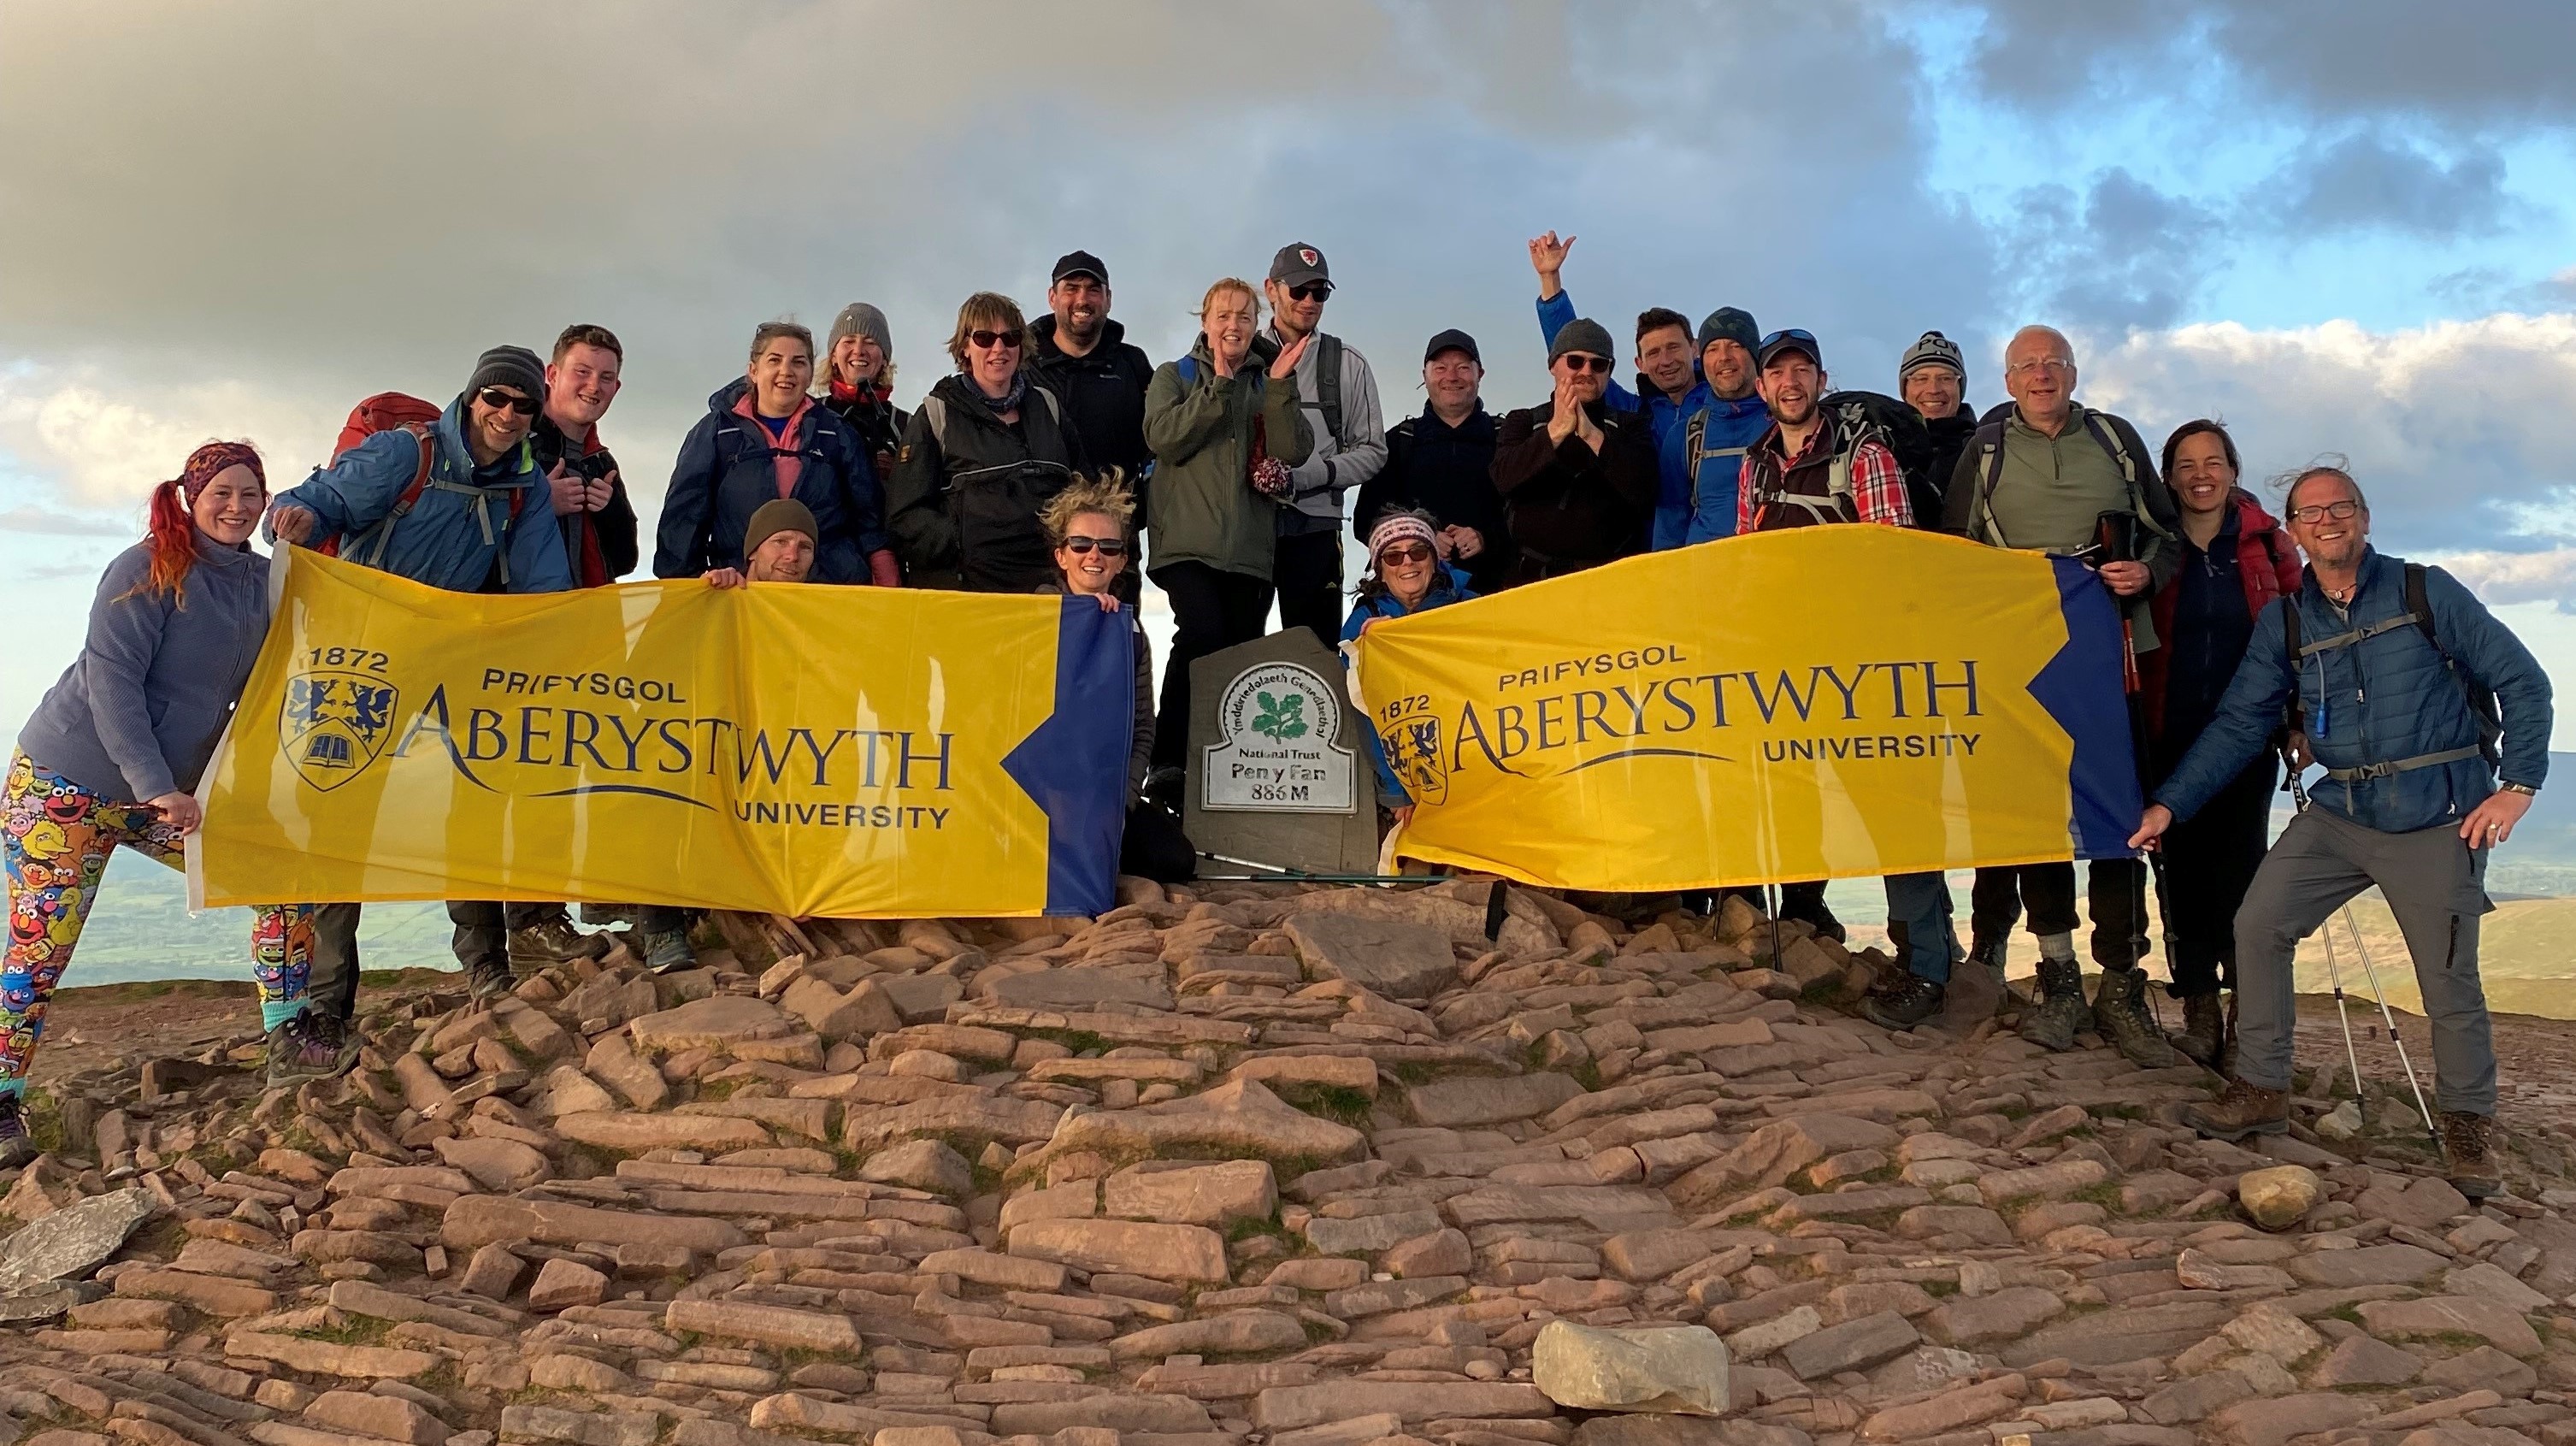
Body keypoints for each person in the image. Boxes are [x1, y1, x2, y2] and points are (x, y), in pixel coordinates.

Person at [2134, 464, 2551, 1198]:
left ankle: (2466, 1127)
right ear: (2291, 530)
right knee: (2258, 923)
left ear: (2363, 517)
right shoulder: (2288, 619)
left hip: (2435, 815)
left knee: (2446, 983)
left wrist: (2516, 787)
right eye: (2309, 513)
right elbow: (2239, 723)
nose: (2326, 521)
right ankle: (2261, 1090)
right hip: (2340, 812)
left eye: (2339, 508)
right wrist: (2169, 804)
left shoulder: (2425, 590)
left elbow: (2523, 681)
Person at [9, 444, 330, 1130]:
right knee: (38, 951)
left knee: (283, 878)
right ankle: (2, 1100)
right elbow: (111, 682)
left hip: (165, 796)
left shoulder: (259, 579)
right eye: (221, 492)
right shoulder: (145, 566)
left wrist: (292, 553)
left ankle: (288, 1037)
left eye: (251, 493)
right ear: (190, 496)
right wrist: (156, 784)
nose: (236, 506)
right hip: (66, 786)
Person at [271, 347, 583, 1002]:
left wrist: (570, 640)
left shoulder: (522, 486)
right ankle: (327, 1002)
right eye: (496, 398)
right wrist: (297, 517)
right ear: (471, 397)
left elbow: (543, 587)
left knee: (465, 804)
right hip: (357, 661)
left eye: (524, 405)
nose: (508, 413)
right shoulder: (403, 455)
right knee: (340, 821)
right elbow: (320, 499)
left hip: (443, 661)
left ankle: (487, 970)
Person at [1940, 325, 2182, 1065]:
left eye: (2053, 363)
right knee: (2039, 814)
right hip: (2026, 659)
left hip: (2110, 648)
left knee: (2116, 808)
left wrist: (2145, 574)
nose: (2041, 376)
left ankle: (2120, 980)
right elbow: (1954, 558)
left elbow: (2166, 537)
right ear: (2006, 381)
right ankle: (2056, 973)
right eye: (2026, 367)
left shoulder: (2112, 438)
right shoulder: (1984, 451)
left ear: (2073, 372)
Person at [2135, 422, 2303, 1065]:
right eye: (2184, 464)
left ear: (2233, 469)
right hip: (2162, 728)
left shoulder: (2268, 542)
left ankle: (2243, 1022)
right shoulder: (2151, 541)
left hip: (2247, 736)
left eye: (2212, 461)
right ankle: (2198, 1010)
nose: (2199, 474)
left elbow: (2300, 636)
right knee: (2177, 873)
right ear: (2168, 475)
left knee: (2239, 872)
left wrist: (2297, 719)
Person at [1140, 279, 1314, 780]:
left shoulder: (1268, 384)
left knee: (1239, 652)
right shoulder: (1174, 375)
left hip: (1249, 550)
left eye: (1243, 316)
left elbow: (1292, 451)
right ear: (1205, 322)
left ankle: (1224, 767)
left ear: (1256, 324)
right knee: (1201, 634)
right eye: (1223, 315)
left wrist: (1281, 387)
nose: (1233, 325)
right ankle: (1169, 760)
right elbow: (1163, 438)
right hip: (1187, 546)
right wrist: (1216, 387)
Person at [1527, 230, 1767, 547]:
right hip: (1658, 547)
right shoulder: (1634, 412)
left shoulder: (1731, 404)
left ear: (1694, 348)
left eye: (1673, 348)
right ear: (1639, 363)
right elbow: (1576, 359)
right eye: (1653, 353)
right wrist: (1550, 281)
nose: (1665, 361)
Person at [524, 323, 640, 955]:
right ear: (553, 372)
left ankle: (559, 903)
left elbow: (622, 556)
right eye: (582, 372)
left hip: (580, 632)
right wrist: (545, 502)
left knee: (569, 765)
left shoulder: (601, 457)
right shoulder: (517, 441)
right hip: (518, 633)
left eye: (604, 377)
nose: (592, 387)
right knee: (512, 778)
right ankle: (517, 928)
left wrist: (606, 505)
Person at [654, 321, 897, 588]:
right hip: (740, 591)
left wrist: (887, 583)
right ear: (753, 371)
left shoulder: (837, 433)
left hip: (827, 590)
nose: (786, 371)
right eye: (775, 360)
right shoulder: (716, 432)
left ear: (809, 373)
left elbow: (869, 519)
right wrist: (684, 587)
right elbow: (683, 518)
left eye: (798, 362)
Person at [1035, 476, 1192, 882]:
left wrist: (1122, 798)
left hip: (1102, 795)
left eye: (1109, 547)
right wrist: (1081, 620)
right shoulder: (1031, 617)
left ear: (1122, 561)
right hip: (1036, 792)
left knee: (1176, 860)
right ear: (1061, 556)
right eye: (1081, 545)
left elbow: (1143, 725)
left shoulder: (1131, 630)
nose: (1095, 555)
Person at [885, 292, 1088, 593]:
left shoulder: (1049, 408)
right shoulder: (936, 415)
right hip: (969, 597)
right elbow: (905, 515)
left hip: (1047, 590)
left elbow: (1085, 490)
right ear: (965, 347)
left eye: (1010, 337)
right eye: (984, 338)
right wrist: (964, 542)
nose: (999, 348)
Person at [1264, 244, 1386, 646]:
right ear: (1271, 290)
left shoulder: (1348, 362)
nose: (1310, 301)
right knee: (1233, 651)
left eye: (1320, 292)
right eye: (1299, 290)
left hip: (1316, 528)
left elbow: (1373, 450)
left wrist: (1321, 473)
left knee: (1315, 653)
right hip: (1248, 528)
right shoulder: (1241, 354)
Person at [1490, 317, 1656, 582]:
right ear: (1553, 366)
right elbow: (1503, 478)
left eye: (1599, 364)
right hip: (1530, 579)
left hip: (1610, 578)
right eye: (1575, 361)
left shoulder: (1631, 424)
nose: (1587, 371)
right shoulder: (1523, 421)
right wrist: (1554, 432)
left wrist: (1592, 435)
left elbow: (1644, 490)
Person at [1341, 510, 1479, 825]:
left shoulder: (1474, 607)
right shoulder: (1363, 625)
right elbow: (1367, 714)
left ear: (1434, 558)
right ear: (1379, 569)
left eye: (1418, 551)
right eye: (1393, 556)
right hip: (1408, 773)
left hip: (1474, 760)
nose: (1407, 563)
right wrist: (1395, 790)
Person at [1354, 330, 1513, 593]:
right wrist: (1420, 537)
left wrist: (1486, 538)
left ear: (1479, 374)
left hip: (1497, 597)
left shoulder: (1508, 439)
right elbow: (1366, 520)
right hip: (1415, 603)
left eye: (1463, 368)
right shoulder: (1398, 441)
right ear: (1425, 376)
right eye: (1440, 368)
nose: (1452, 377)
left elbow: (1533, 515)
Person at [1028, 253, 1157, 485]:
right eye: (1071, 288)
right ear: (1052, 297)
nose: (1082, 299)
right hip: (1040, 515)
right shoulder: (1023, 364)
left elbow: (1157, 439)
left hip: (1115, 515)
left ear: (1108, 299)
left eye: (1093, 290)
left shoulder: (1133, 364)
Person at [816, 303, 910, 487]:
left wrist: (903, 474)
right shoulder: (810, 415)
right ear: (833, 355)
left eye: (870, 342)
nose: (859, 350)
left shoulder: (908, 425)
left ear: (884, 359)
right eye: (849, 341)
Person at [1899, 331, 1974, 526]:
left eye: (1946, 378)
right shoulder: (1884, 447)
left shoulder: (1985, 448)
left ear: (1960, 387)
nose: (1933, 389)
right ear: (1905, 389)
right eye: (1921, 379)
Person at [705, 498, 818, 587]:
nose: (793, 556)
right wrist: (705, 591)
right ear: (753, 551)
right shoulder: (722, 596)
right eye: (781, 542)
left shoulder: (821, 611)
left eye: (805, 547)